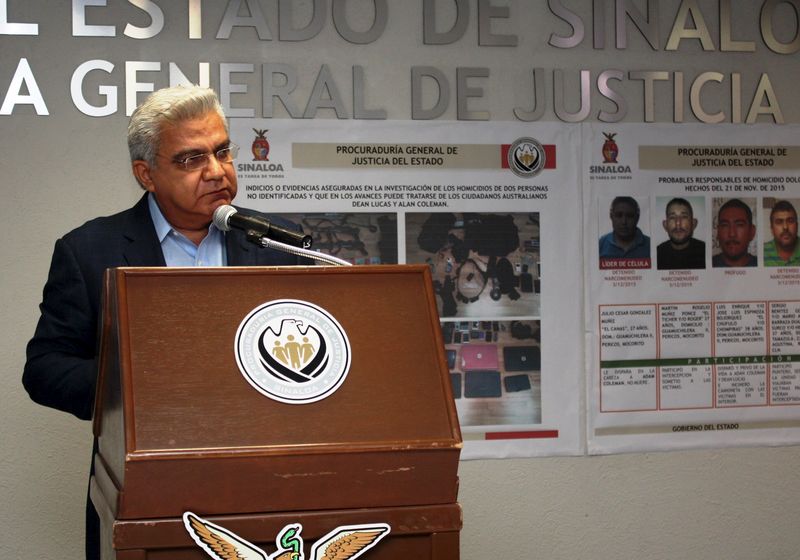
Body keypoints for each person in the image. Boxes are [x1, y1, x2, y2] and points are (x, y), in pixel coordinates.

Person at [22, 85, 308, 560]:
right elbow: (45, 369)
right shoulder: (90, 250)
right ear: (146, 174)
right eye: (191, 160)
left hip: (266, 491)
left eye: (221, 151)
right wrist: (137, 385)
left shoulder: (273, 243)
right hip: (147, 490)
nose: (216, 172)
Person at [657, 197, 706, 270]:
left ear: (693, 224)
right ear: (665, 225)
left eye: (684, 217)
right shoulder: (657, 254)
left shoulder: (705, 252)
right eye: (672, 217)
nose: (678, 223)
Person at [598, 196, 650, 260]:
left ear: (637, 218)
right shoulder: (600, 244)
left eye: (629, 216)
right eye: (619, 215)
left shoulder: (650, 245)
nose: (624, 222)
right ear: (611, 216)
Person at [712, 198, 757, 267]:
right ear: (718, 232)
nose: (732, 234)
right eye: (725, 225)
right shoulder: (709, 264)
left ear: (752, 232)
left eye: (739, 225)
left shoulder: (760, 265)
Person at [764, 200, 800, 266]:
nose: (785, 227)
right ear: (772, 229)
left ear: (797, 226)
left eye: (790, 221)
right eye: (779, 222)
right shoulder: (763, 252)